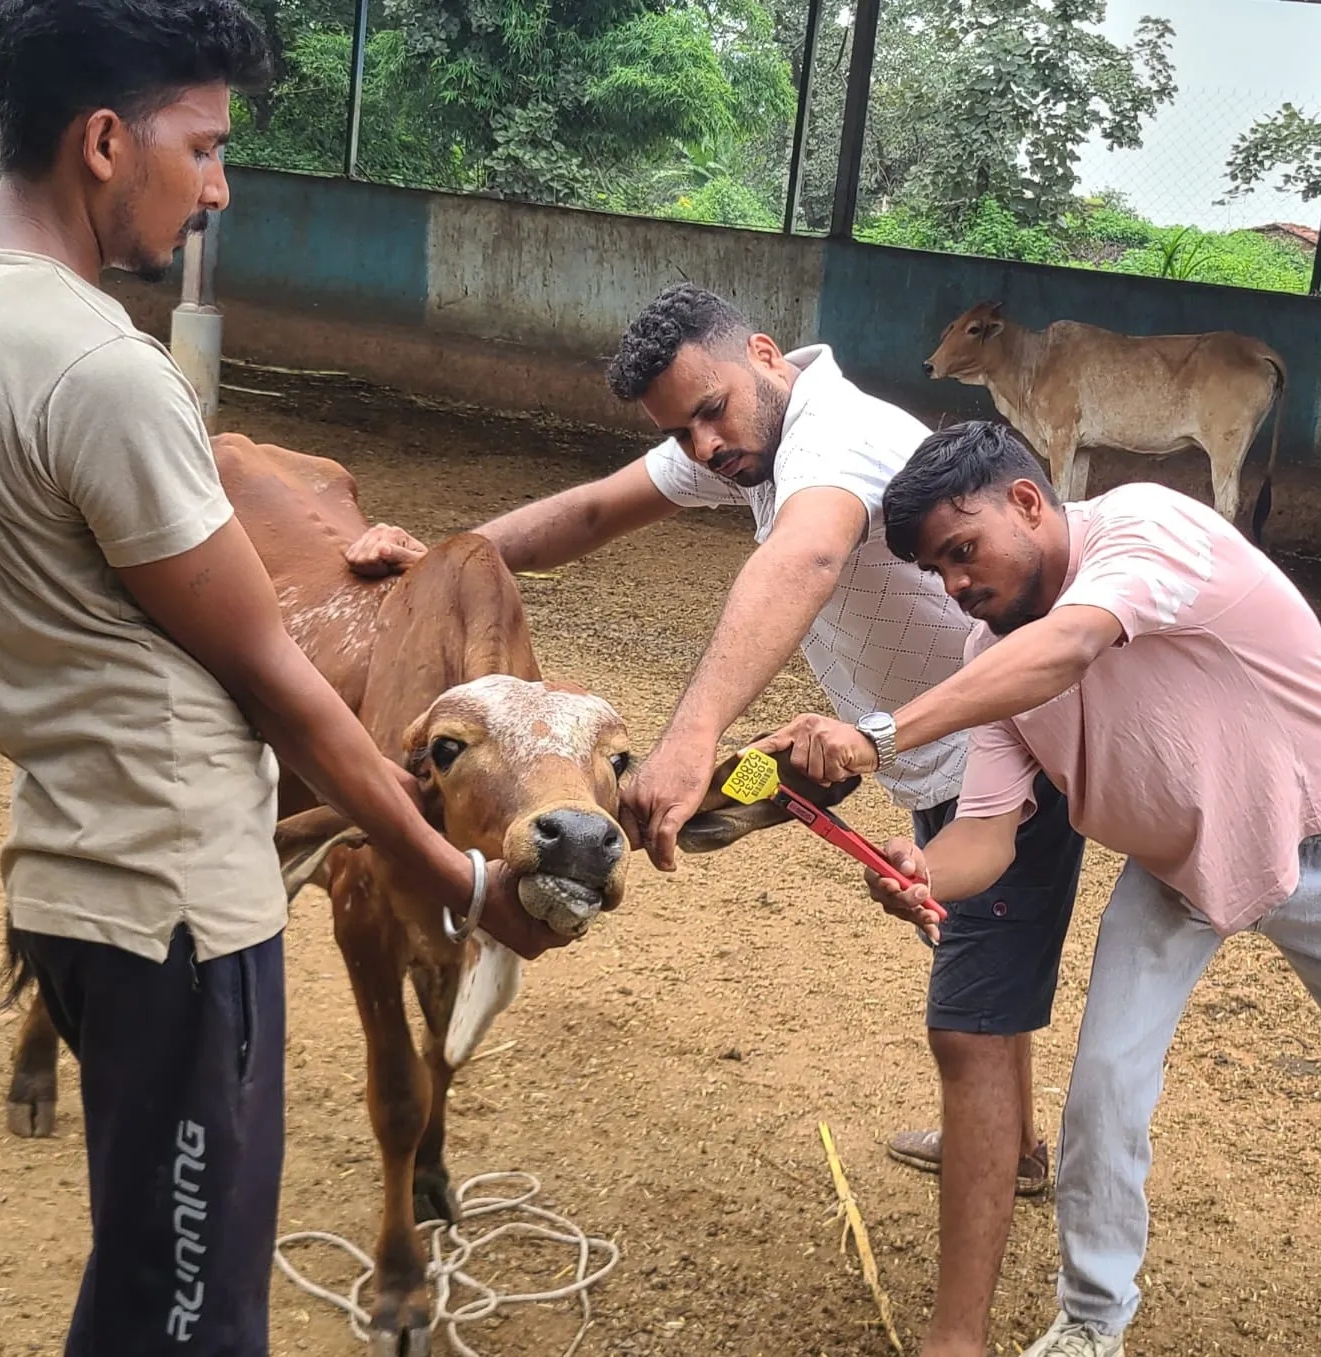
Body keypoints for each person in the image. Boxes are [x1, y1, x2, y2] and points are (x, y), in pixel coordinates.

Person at [0, 0, 566, 1351]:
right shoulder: (101, 370)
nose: (218, 186)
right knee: (195, 1317)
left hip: (81, 869)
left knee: (144, 1285)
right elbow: (283, 682)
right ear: (101, 140)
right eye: (201, 147)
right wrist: (460, 879)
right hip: (179, 910)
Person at [350, 282, 1087, 1355]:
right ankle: (1015, 1149)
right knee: (976, 973)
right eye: (679, 431)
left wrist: (693, 739)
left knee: (966, 1028)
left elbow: (804, 558)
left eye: (711, 411)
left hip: (1013, 757)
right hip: (932, 759)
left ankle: (955, 1336)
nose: (704, 443)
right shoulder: (742, 440)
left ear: (762, 353)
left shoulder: (833, 435)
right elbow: (593, 512)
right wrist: (445, 559)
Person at [757, 420, 1321, 1357]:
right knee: (1103, 1087)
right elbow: (986, 836)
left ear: (1025, 500)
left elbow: (1074, 645)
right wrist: (923, 869)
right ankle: (1093, 1319)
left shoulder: (1143, 524)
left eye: (962, 549)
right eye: (937, 570)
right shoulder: (989, 658)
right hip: (1177, 868)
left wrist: (876, 731)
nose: (957, 584)